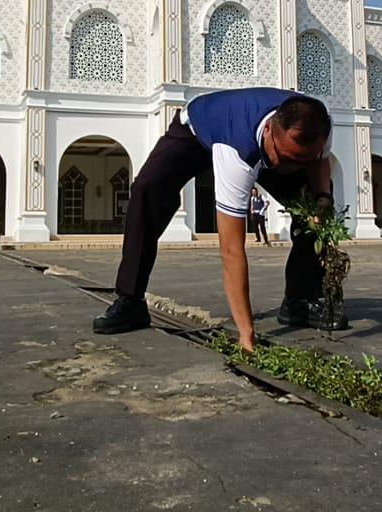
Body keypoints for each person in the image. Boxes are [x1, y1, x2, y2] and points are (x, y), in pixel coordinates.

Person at [93, 87, 346, 352]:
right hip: (196, 132)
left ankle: (300, 301)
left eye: (301, 161)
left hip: (266, 141)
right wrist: (246, 335)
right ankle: (130, 300)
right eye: (285, 158)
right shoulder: (236, 153)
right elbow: (231, 250)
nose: (290, 169)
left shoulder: (319, 121)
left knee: (313, 209)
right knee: (147, 190)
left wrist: (322, 198)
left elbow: (319, 163)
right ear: (270, 130)